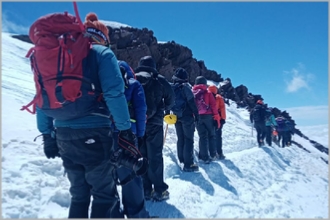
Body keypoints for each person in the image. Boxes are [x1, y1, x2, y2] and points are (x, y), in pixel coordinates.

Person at [36, 13, 134, 218]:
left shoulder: (60, 57)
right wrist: (125, 130)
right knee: (104, 196)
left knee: (79, 195)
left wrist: (47, 135)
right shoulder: (102, 54)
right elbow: (114, 94)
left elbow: (43, 97)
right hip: (95, 133)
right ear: (103, 37)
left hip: (62, 135)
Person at [111, 60, 150, 218]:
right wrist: (140, 135)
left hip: (104, 135)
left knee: (107, 177)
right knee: (130, 175)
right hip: (127, 135)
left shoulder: (103, 82)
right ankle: (137, 214)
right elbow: (141, 111)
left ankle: (112, 214)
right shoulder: (134, 84)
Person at [134, 56, 175, 202]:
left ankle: (146, 189)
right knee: (155, 157)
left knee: (142, 156)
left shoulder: (134, 78)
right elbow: (171, 97)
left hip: (138, 124)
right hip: (155, 124)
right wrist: (165, 108)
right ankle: (159, 190)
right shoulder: (159, 79)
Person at [170, 68, 199, 172]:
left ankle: (181, 159)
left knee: (180, 139)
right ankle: (188, 164)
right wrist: (197, 115)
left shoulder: (172, 87)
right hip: (187, 117)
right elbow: (192, 103)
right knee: (189, 140)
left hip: (176, 117)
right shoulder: (185, 88)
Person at [192, 76, 220, 163]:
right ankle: (212, 155)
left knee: (202, 136)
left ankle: (203, 156)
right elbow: (213, 106)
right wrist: (216, 117)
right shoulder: (208, 93)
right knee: (211, 135)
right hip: (208, 117)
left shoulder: (192, 92)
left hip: (197, 117)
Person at [208, 85, 227, 159]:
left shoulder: (206, 95)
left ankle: (210, 152)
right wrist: (223, 119)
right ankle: (219, 153)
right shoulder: (219, 97)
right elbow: (222, 108)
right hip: (217, 120)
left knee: (209, 136)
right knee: (218, 136)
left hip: (208, 119)